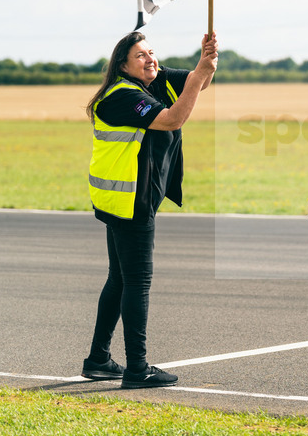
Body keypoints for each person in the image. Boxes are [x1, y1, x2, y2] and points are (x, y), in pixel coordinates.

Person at [80, 30, 217, 389]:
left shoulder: (152, 80)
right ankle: (137, 369)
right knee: (137, 282)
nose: (150, 59)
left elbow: (195, 84)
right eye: (141, 55)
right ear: (123, 65)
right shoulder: (123, 96)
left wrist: (206, 63)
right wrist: (202, 73)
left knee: (120, 278)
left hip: (120, 198)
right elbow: (172, 119)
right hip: (130, 201)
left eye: (151, 52)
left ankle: (98, 360)